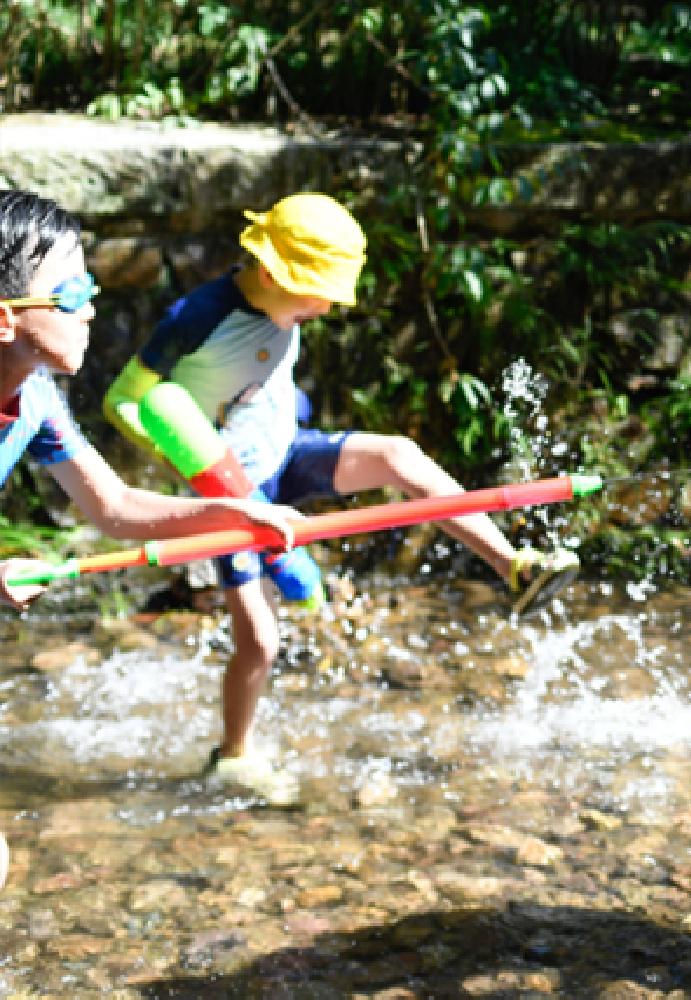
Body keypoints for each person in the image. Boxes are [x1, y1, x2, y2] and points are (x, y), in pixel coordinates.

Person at [102, 192, 579, 806]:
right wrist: (186, 459)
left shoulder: (283, 308)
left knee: (399, 456)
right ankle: (234, 755)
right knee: (261, 641)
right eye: (316, 293)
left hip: (285, 453)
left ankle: (514, 565)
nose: (327, 307)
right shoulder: (197, 316)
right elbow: (122, 399)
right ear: (272, 274)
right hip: (234, 494)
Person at [0, 188, 297, 887]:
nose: (92, 307)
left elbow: (117, 505)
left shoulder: (36, 394)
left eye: (91, 285)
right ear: (5, 320)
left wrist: (239, 515)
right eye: (70, 292)